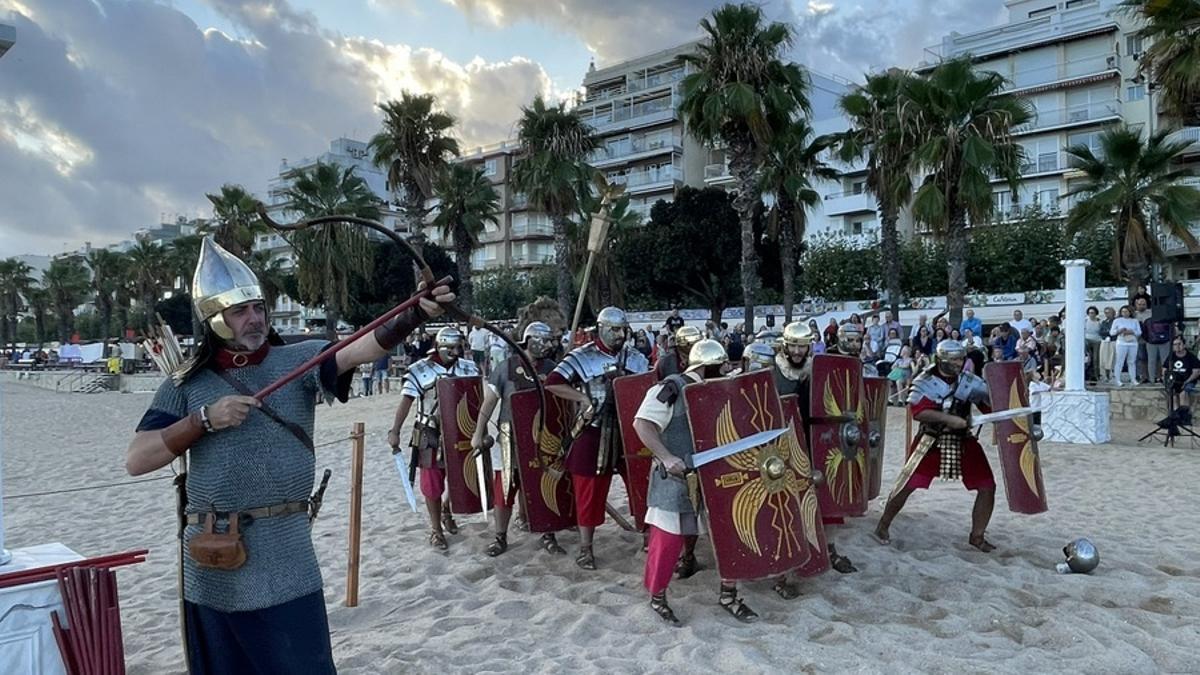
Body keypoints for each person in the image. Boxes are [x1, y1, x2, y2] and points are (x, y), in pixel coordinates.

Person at [125, 237, 454, 673]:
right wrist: (203, 420)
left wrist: (414, 313)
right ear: (214, 319)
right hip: (210, 556)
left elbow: (361, 347)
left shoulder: (296, 361)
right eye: (240, 311)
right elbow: (138, 458)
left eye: (258, 307)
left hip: (284, 556)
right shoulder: (186, 385)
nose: (254, 318)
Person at [635, 340, 767, 626]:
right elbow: (642, 424)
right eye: (724, 366)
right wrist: (667, 457)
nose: (729, 371)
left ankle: (729, 594)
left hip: (720, 477)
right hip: (677, 477)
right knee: (668, 540)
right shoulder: (670, 388)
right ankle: (658, 597)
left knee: (730, 535)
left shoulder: (724, 389)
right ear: (710, 366)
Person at [545, 307, 650, 570]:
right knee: (588, 490)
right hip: (593, 428)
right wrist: (581, 398)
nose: (619, 334)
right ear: (601, 328)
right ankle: (586, 547)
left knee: (643, 484)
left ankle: (649, 537)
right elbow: (553, 382)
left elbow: (648, 386)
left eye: (622, 329)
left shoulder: (636, 358)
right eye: (613, 329)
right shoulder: (582, 356)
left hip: (631, 431)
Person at [873, 340, 997, 552]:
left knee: (987, 486)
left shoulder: (969, 381)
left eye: (961, 358)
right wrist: (950, 420)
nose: (959, 363)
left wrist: (1002, 404)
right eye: (955, 359)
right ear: (942, 360)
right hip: (931, 440)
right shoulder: (925, 380)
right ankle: (883, 526)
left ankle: (977, 536)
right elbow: (918, 412)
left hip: (963, 440)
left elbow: (989, 406)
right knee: (907, 484)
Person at [471, 322, 564, 557]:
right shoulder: (506, 367)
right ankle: (500, 537)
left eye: (550, 341)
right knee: (505, 489)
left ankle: (548, 532)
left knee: (543, 485)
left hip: (543, 438)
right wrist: (478, 432)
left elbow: (561, 405)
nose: (548, 345)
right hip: (509, 436)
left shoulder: (553, 368)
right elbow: (489, 403)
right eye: (544, 340)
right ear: (530, 340)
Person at [772, 321, 856, 574]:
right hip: (783, 444)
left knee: (826, 494)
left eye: (803, 346)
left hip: (818, 440)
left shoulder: (819, 368)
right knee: (787, 501)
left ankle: (829, 548)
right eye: (794, 346)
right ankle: (790, 554)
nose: (798, 352)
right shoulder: (770, 370)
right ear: (785, 345)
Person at [388, 326, 481, 550]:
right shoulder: (420, 369)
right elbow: (407, 401)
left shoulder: (468, 368)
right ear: (440, 347)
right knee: (432, 484)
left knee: (461, 477)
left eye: (459, 347)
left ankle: (447, 509)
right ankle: (436, 529)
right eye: (451, 347)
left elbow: (477, 400)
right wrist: (395, 430)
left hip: (461, 431)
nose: (456, 352)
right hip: (429, 432)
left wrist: (481, 430)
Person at [1163, 335, 1200, 415]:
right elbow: (1165, 369)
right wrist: (1166, 380)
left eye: (1179, 344)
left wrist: (1186, 382)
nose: (1177, 346)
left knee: (1183, 393)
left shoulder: (1191, 357)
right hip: (1175, 381)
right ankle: (1175, 415)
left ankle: (1184, 416)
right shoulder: (1171, 357)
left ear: (1184, 345)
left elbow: (1196, 372)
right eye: (1175, 344)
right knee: (1172, 393)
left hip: (1188, 381)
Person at [1110, 305, 1141, 386]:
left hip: (1133, 342)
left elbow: (1139, 332)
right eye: (1123, 312)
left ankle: (1133, 379)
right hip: (1121, 343)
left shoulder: (1134, 321)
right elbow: (1112, 332)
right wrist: (1119, 331)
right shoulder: (1117, 321)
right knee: (1120, 361)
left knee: (1131, 361)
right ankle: (1117, 379)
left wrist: (1132, 331)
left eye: (1126, 311)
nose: (1124, 313)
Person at [1143, 311, 1174, 385]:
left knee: (1151, 361)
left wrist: (1147, 340)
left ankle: (1152, 379)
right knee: (1165, 361)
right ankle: (1165, 378)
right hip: (1164, 342)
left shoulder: (1148, 320)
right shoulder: (1167, 320)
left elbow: (1144, 332)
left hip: (1151, 342)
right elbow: (1172, 331)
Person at [1098, 306, 1117, 384]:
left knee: (1112, 358)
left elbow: (1114, 331)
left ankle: (1112, 375)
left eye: (1109, 312)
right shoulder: (1104, 322)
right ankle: (1104, 375)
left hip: (1113, 341)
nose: (1107, 314)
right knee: (1103, 359)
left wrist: (1109, 333)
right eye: (1106, 313)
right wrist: (1107, 333)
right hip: (1105, 341)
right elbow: (1101, 332)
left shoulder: (1115, 321)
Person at [1084, 306, 1102, 383]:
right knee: (1088, 358)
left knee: (1095, 358)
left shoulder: (1099, 322)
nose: (1091, 314)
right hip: (1087, 340)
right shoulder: (1085, 321)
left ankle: (1096, 375)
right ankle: (1088, 374)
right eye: (1090, 313)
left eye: (1093, 313)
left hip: (1097, 340)